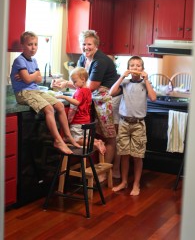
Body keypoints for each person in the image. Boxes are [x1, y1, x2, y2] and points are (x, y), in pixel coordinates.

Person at [52, 30, 119, 173]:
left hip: (107, 99)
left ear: (96, 46)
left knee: (109, 135)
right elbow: (77, 79)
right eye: (83, 44)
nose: (86, 47)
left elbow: (90, 86)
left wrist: (66, 84)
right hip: (92, 98)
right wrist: (62, 82)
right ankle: (95, 170)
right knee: (96, 135)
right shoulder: (83, 58)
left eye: (89, 44)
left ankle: (104, 173)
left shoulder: (100, 61)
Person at [10, 31, 80, 155]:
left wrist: (32, 76)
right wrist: (33, 75)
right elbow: (28, 79)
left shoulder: (34, 60)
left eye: (35, 44)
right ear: (23, 45)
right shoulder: (19, 61)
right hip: (23, 93)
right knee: (49, 109)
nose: (33, 47)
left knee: (59, 105)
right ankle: (58, 140)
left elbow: (38, 79)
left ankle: (68, 136)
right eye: (30, 44)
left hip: (34, 90)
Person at [109, 56, 157, 196]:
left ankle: (136, 184)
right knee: (124, 154)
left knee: (137, 156)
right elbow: (111, 93)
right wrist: (121, 77)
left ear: (142, 69)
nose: (135, 68)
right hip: (124, 123)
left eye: (138, 66)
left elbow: (153, 97)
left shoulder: (145, 84)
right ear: (128, 68)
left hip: (138, 124)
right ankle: (124, 182)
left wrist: (146, 79)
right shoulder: (124, 83)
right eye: (132, 65)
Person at [56, 66, 106, 155]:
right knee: (84, 139)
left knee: (76, 140)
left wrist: (64, 97)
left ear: (83, 79)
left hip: (78, 121)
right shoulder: (87, 90)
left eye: (75, 81)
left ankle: (95, 143)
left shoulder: (80, 91)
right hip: (86, 120)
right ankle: (97, 141)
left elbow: (77, 102)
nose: (74, 84)